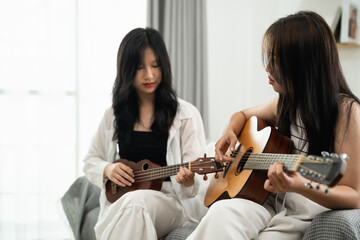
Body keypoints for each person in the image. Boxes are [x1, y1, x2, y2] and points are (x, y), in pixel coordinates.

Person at [187, 11, 360, 240]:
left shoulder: (348, 113)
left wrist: (299, 184)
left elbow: (354, 195)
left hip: (305, 216)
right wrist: (229, 131)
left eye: (276, 61)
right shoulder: (287, 102)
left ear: (302, 65)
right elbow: (241, 114)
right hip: (272, 203)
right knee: (221, 212)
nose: (267, 68)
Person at [83, 27, 208, 240]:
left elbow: (196, 183)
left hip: (171, 202)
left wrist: (188, 180)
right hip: (125, 202)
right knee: (133, 204)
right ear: (126, 69)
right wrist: (108, 168)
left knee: (137, 203)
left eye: (155, 65)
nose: (149, 75)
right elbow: (90, 161)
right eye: (140, 67)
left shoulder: (186, 115)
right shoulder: (113, 115)